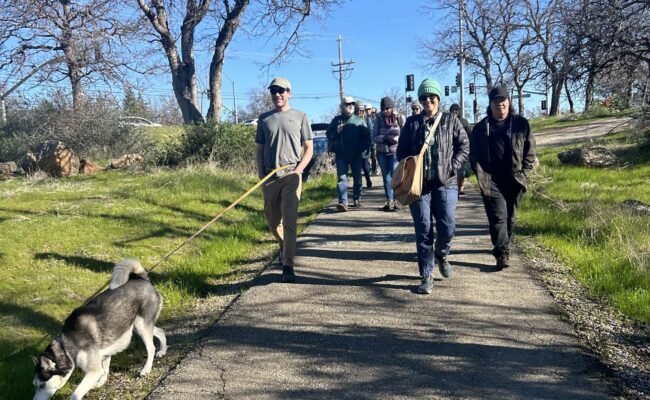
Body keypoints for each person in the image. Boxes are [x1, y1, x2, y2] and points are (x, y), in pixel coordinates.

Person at [397, 78, 469, 294]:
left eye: (431, 96)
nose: (428, 100)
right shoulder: (412, 124)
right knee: (424, 229)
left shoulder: (451, 121)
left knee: (447, 226)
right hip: (419, 187)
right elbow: (401, 153)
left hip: (445, 183)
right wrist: (411, 166)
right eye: (424, 97)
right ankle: (426, 275)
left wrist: (452, 166)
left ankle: (442, 254)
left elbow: (464, 146)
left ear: (438, 98)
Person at [469, 85, 536, 270]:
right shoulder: (481, 128)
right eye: (496, 101)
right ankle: (502, 253)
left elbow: (530, 151)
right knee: (498, 217)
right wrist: (478, 170)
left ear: (509, 102)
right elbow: (472, 153)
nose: (500, 104)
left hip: (515, 179)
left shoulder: (521, 124)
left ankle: (504, 245)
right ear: (490, 104)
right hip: (490, 180)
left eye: (503, 100)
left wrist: (525, 172)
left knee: (510, 219)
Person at [256, 77, 314, 283]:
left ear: (289, 93)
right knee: (273, 222)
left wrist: (298, 171)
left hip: (291, 175)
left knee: (290, 221)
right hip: (271, 177)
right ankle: (284, 245)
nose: (277, 95)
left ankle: (288, 265)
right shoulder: (264, 119)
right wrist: (262, 175)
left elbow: (309, 147)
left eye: (281, 91)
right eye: (274, 91)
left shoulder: (300, 116)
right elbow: (259, 150)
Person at [327, 96, 372, 211]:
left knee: (357, 179)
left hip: (356, 156)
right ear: (342, 107)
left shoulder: (359, 120)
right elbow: (329, 135)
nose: (351, 105)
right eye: (347, 104)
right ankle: (343, 202)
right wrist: (336, 131)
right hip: (341, 155)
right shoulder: (336, 120)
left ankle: (356, 198)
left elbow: (367, 138)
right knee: (342, 179)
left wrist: (361, 149)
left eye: (352, 103)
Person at [373, 96, 405, 211]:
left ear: (392, 107)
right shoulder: (378, 118)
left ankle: (397, 200)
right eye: (383, 108)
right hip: (382, 152)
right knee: (386, 177)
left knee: (395, 176)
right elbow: (374, 136)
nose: (385, 110)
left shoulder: (399, 117)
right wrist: (385, 138)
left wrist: (396, 139)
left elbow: (404, 132)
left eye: (387, 108)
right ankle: (389, 200)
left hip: (395, 151)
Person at [449, 103, 471, 195]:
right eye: (453, 110)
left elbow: (470, 134)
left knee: (462, 171)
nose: (455, 112)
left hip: (461, 150)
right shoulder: (447, 121)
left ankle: (461, 188)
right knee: (453, 170)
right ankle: (453, 187)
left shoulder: (464, 122)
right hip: (450, 150)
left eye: (456, 110)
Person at [355, 101, 373, 189]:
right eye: (357, 110)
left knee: (365, 167)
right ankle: (359, 186)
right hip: (355, 148)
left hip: (365, 148)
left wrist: (369, 143)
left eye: (361, 110)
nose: (359, 112)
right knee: (358, 169)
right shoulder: (353, 120)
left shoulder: (367, 120)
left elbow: (371, 132)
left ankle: (368, 179)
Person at [364, 103, 378, 176]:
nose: (368, 111)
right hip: (366, 141)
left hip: (374, 141)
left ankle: (374, 170)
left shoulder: (375, 118)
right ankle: (368, 170)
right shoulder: (363, 118)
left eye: (369, 109)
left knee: (374, 156)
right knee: (367, 156)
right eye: (366, 109)